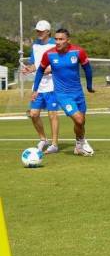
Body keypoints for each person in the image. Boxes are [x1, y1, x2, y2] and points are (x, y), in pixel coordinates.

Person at [30, 28, 95, 156]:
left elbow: (87, 69)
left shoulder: (78, 51)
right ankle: (82, 142)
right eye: (56, 39)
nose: (58, 42)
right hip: (62, 94)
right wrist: (35, 90)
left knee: (81, 121)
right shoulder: (49, 54)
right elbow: (39, 71)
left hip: (78, 93)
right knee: (79, 119)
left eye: (61, 39)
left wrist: (89, 86)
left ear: (68, 40)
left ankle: (78, 146)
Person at [21, 20, 60, 153]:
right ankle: (43, 139)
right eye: (37, 30)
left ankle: (54, 144)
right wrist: (29, 69)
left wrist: (51, 69)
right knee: (33, 114)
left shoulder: (55, 45)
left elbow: (59, 64)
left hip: (52, 85)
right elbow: (35, 65)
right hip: (38, 86)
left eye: (41, 31)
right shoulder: (35, 45)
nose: (39, 33)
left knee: (52, 114)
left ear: (48, 32)